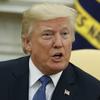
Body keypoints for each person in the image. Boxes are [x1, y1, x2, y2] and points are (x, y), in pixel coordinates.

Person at [0, 3, 100, 100]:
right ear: (27, 42)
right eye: (48, 35)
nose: (58, 43)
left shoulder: (93, 92)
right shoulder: (3, 76)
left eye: (64, 34)